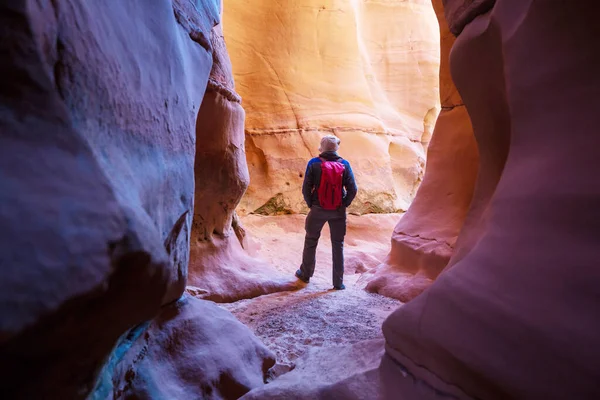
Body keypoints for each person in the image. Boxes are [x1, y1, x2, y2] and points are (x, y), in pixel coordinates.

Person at [295, 135, 358, 290]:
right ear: (336, 148)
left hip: (318, 209)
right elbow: (353, 189)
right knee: (338, 244)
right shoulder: (344, 164)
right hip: (338, 211)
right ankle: (338, 282)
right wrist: (343, 204)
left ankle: (305, 274)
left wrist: (312, 204)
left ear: (321, 147)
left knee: (311, 240)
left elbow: (306, 188)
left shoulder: (314, 163)